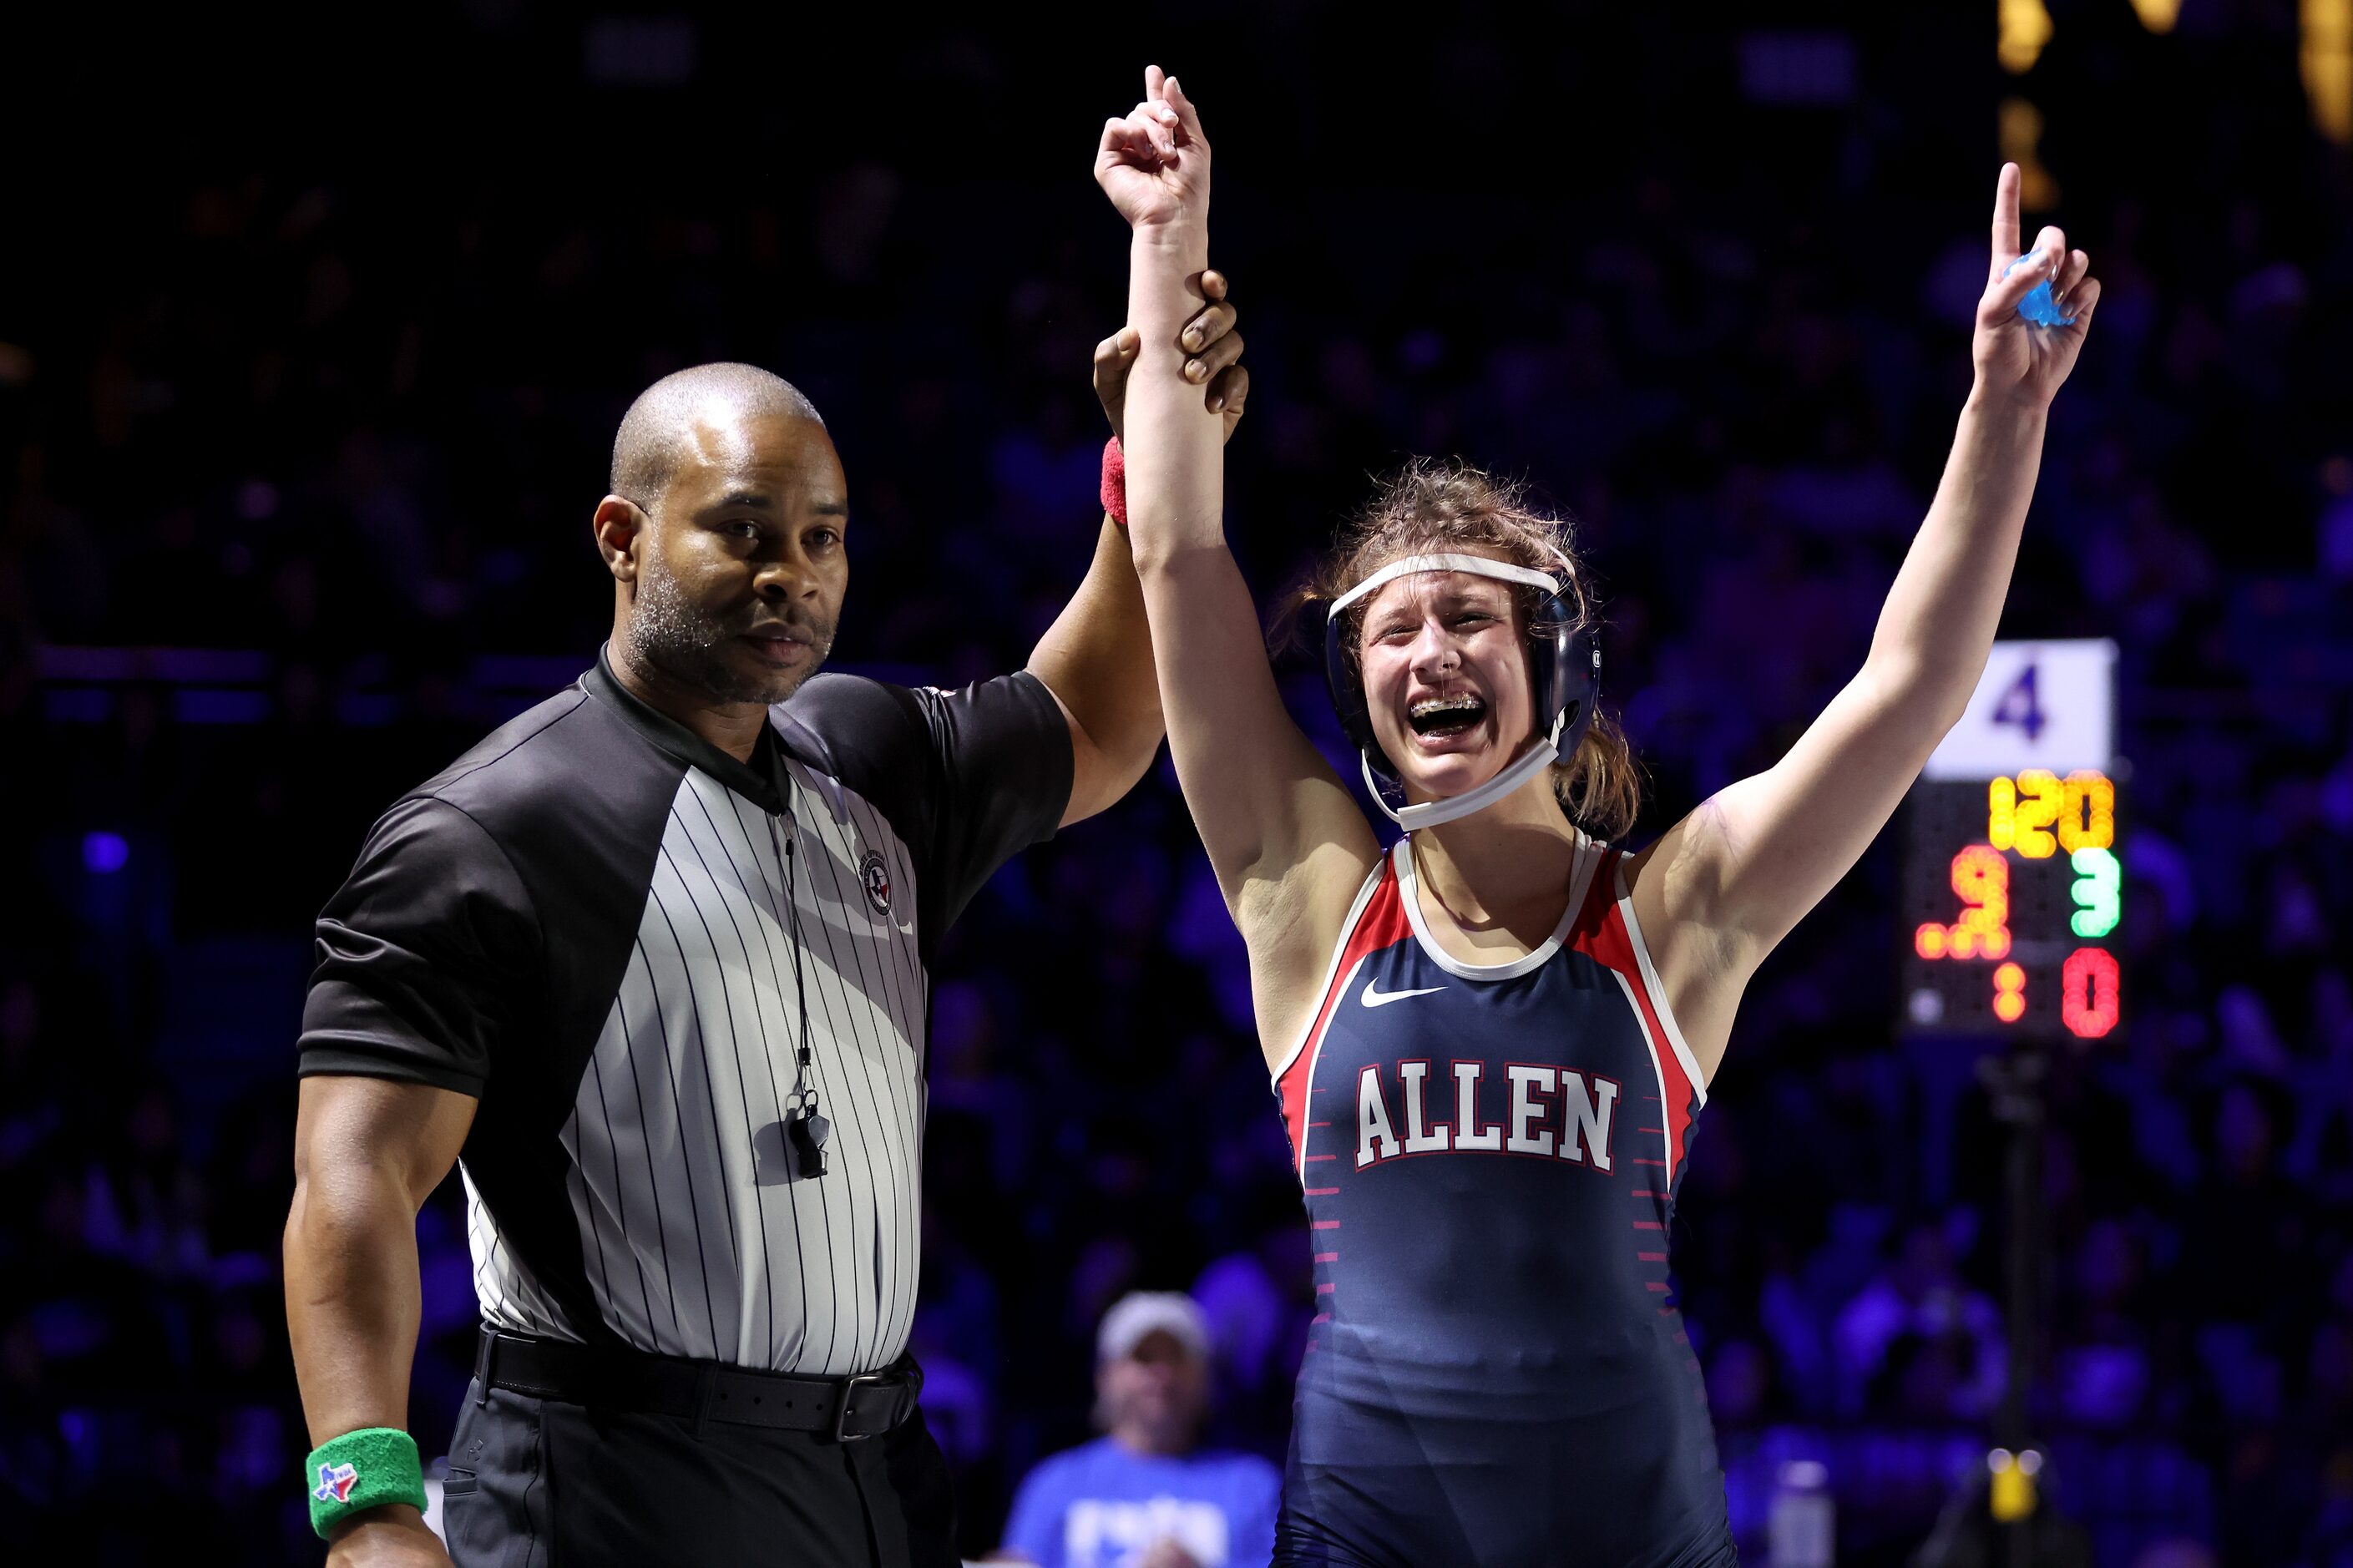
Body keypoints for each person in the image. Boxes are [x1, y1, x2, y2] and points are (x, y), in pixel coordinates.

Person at [1098, 68, 2098, 1568]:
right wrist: (1168, 237)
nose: (1428, 650)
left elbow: (1905, 690)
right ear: (1349, 678)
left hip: (1626, 1524)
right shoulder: (1306, 896)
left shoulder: (1671, 914)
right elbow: (1178, 559)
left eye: (1468, 619)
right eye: (1392, 630)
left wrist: (2000, 413)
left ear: (1550, 662)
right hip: (1367, 1522)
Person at [281, 295, 1251, 1568]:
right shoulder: (484, 831)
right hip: (611, 1487)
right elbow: (351, 1182)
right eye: (742, 532)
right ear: (621, 538)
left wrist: (1145, 469)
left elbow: (1096, 723)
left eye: (822, 538)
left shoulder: (869, 756)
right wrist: (367, 1505)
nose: (790, 571)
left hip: (875, 1480)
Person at [996, 1292, 1280, 1568]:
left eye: (1176, 1358)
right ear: (1105, 1375)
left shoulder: (1251, 1486)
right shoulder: (1055, 1483)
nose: (1160, 1374)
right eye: (1143, 1357)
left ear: (1205, 1377)